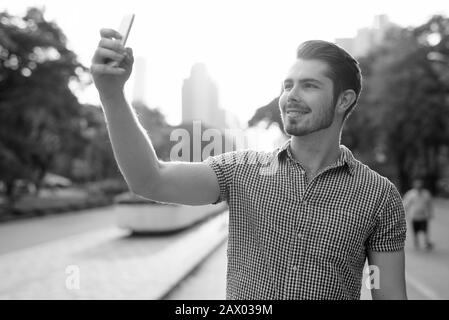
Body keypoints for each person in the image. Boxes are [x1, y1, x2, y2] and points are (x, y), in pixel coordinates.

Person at [90, 29, 407, 300]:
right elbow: (150, 180)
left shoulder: (379, 196)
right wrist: (111, 94)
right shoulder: (241, 169)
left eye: (309, 85)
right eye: (287, 85)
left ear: (344, 100)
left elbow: (389, 294)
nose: (290, 96)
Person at [403, 179, 434, 250]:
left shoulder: (426, 193)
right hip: (414, 216)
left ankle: (426, 242)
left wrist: (430, 213)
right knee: (415, 230)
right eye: (417, 185)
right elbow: (405, 204)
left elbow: (430, 204)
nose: (419, 187)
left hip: (423, 216)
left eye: (420, 185)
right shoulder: (411, 194)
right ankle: (416, 241)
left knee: (425, 230)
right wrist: (405, 213)